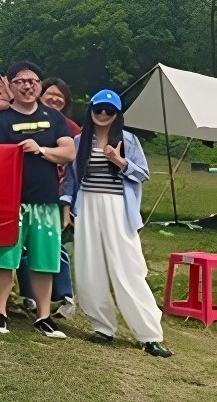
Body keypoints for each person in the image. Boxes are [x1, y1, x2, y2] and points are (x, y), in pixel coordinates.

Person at [61, 90, 172, 358]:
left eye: (109, 111)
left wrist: (118, 160)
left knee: (129, 269)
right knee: (89, 268)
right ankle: (102, 327)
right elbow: (71, 179)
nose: (102, 115)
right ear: (90, 111)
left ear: (117, 114)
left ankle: (149, 335)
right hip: (87, 205)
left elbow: (142, 174)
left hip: (118, 207)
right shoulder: (79, 141)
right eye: (97, 109)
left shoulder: (128, 140)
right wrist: (66, 208)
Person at [0, 61, 75, 338]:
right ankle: (1, 314)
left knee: (44, 260)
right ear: (10, 85)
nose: (27, 86)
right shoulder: (0, 120)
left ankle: (43, 316)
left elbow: (68, 152)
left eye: (32, 81)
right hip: (10, 203)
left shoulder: (53, 118)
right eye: (20, 81)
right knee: (4, 259)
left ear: (40, 85)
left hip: (45, 201)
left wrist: (40, 149)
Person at [15, 77, 82, 318]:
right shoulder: (22, 119)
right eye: (50, 95)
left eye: (60, 97)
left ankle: (64, 295)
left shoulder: (70, 127)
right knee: (23, 245)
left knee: (54, 244)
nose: (54, 100)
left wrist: (67, 202)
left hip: (55, 193)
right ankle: (30, 295)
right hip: (23, 192)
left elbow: (74, 163)